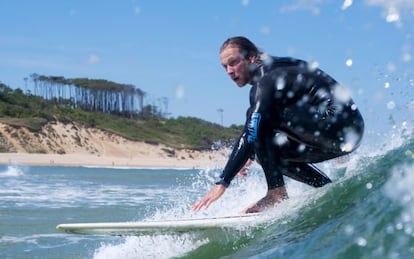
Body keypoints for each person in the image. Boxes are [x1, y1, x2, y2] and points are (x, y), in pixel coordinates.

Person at [192, 36, 364, 213]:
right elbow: (257, 131)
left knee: (256, 115)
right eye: (225, 67)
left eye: (233, 63)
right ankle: (326, 188)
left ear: (251, 57)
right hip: (348, 129)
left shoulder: (265, 81)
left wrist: (223, 182)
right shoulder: (276, 68)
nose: (229, 71)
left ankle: (276, 193)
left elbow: (254, 127)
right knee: (266, 151)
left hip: (338, 125)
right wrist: (252, 154)